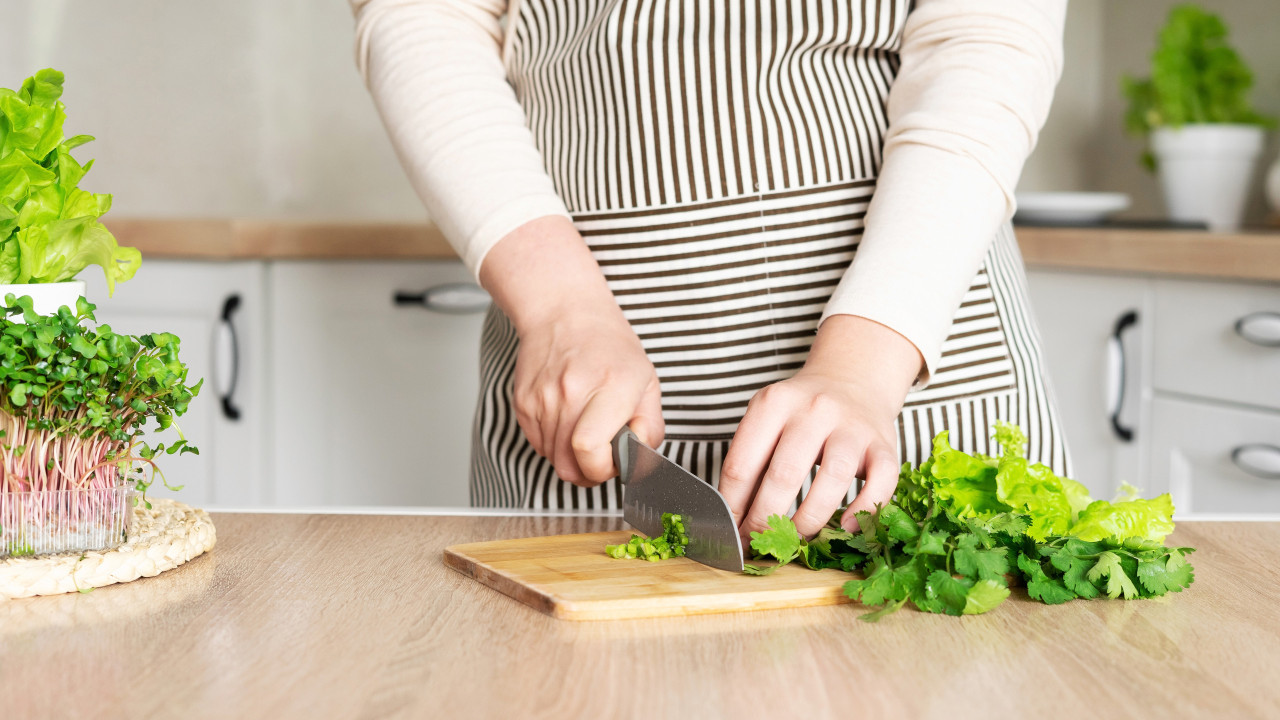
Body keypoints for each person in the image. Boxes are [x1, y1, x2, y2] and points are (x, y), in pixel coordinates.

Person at [350, 0, 1071, 545]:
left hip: (911, 380)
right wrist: (558, 306)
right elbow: (422, 18)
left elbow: (987, 38)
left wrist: (864, 366)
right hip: (585, 406)